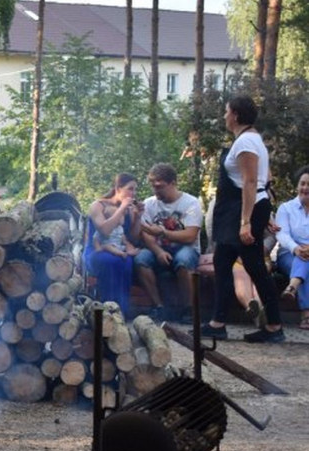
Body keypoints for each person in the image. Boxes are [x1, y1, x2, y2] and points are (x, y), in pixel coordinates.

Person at [203, 95, 284, 343]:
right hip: (242, 208)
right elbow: (265, 179)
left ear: (236, 115)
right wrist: (263, 213)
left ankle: (274, 326)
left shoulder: (247, 141)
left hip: (243, 210)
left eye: (226, 111)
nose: (224, 116)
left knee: (254, 266)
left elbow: (250, 182)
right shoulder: (250, 139)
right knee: (222, 261)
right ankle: (218, 323)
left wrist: (247, 221)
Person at [134, 164, 203, 322]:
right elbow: (145, 232)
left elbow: (190, 236)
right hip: (158, 248)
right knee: (141, 259)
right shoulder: (149, 203)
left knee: (183, 260)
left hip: (186, 248)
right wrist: (158, 251)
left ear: (173, 183)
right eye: (153, 186)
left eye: (160, 187)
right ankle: (158, 307)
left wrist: (163, 232)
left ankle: (189, 309)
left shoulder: (191, 203)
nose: (155, 190)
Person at [85, 173, 142, 316]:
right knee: (111, 261)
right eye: (130, 189)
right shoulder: (98, 205)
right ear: (118, 188)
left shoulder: (129, 210)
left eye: (135, 190)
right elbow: (104, 230)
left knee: (127, 261)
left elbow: (133, 237)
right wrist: (121, 209)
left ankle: (121, 310)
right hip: (97, 250)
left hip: (119, 249)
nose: (133, 193)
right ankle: (107, 310)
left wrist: (138, 216)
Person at [274, 165, 309, 329]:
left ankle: (292, 287)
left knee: (305, 261)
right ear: (297, 186)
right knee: (304, 259)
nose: (305, 188)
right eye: (302, 183)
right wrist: (296, 248)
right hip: (288, 253)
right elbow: (282, 234)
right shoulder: (286, 208)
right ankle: (306, 315)